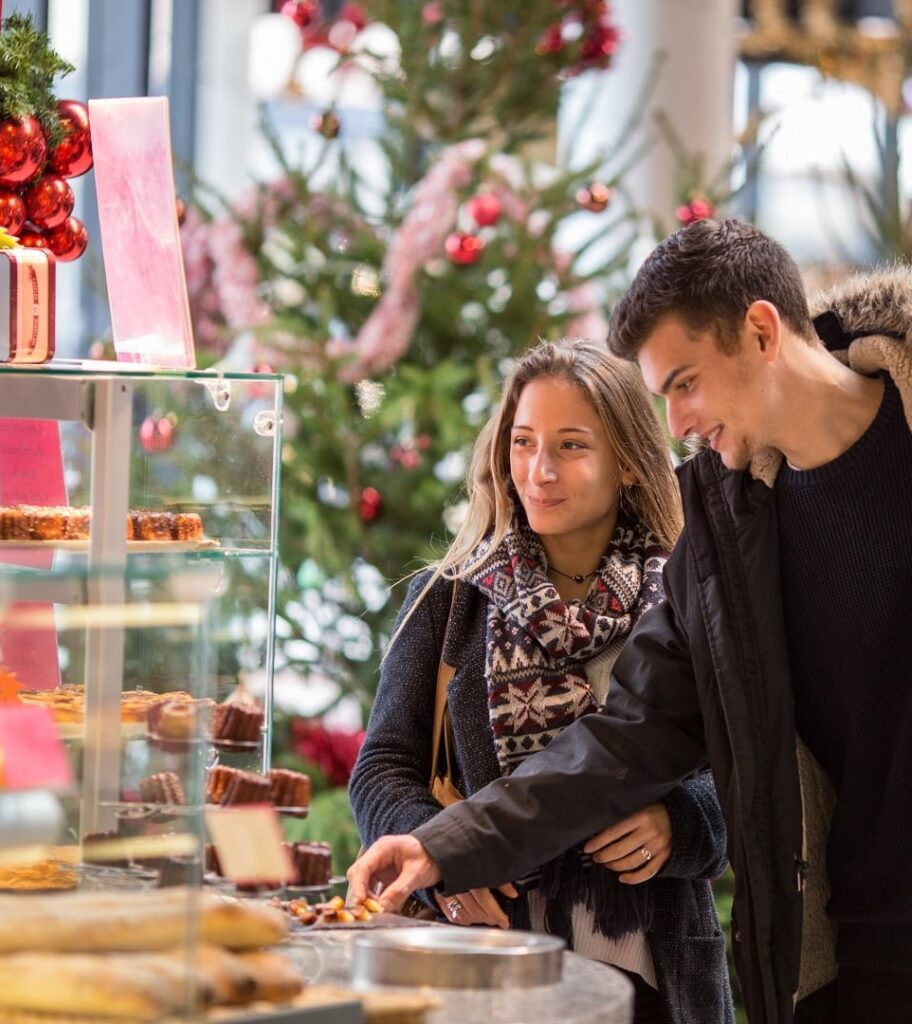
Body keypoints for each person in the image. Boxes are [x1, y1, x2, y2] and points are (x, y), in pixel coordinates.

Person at [347, 218, 912, 1024]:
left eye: (685, 382)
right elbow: (627, 739)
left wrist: (680, 825)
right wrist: (441, 844)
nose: (677, 423)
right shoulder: (726, 532)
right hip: (848, 952)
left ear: (760, 331)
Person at [349, 339, 733, 1024]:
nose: (539, 471)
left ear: (629, 466)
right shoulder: (451, 600)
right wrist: (443, 864)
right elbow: (381, 769)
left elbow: (748, 770)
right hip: (489, 968)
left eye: (571, 446)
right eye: (523, 443)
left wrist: (685, 822)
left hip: (659, 971)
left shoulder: (686, 596)